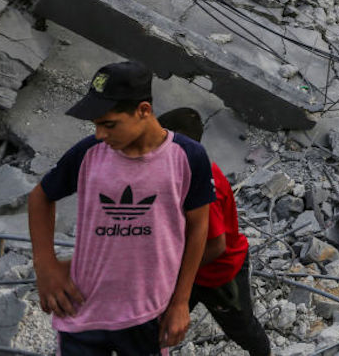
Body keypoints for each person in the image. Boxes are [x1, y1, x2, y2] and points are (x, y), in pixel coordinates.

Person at [27, 61, 214, 355]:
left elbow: (198, 227)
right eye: (96, 125)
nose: (100, 134)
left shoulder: (187, 157)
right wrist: (46, 264)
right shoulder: (89, 153)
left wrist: (180, 301)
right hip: (82, 309)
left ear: (143, 110)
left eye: (109, 124)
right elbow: (40, 198)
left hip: (146, 312)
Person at [157, 108, 271, 356]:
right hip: (193, 268)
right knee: (157, 323)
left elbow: (216, 245)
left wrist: (178, 271)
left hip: (221, 272)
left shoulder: (204, 182)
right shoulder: (178, 172)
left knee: (242, 329)